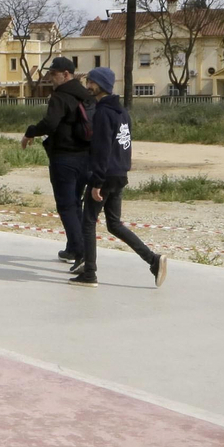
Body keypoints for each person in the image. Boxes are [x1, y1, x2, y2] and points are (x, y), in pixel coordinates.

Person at [70, 66, 166, 288]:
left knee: (88, 223)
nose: (88, 86)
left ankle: (90, 273)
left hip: (105, 176)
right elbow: (125, 144)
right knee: (114, 224)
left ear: (100, 85)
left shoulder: (103, 113)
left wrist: (97, 182)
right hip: (119, 174)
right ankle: (153, 260)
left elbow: (102, 149)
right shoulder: (122, 112)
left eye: (91, 82)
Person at [20, 56, 93, 262]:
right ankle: (73, 249)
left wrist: (30, 132)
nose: (51, 77)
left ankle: (81, 252)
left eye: (54, 74)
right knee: (76, 204)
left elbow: (50, 123)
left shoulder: (60, 97)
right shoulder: (87, 96)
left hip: (64, 158)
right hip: (86, 157)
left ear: (66, 74)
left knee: (66, 206)